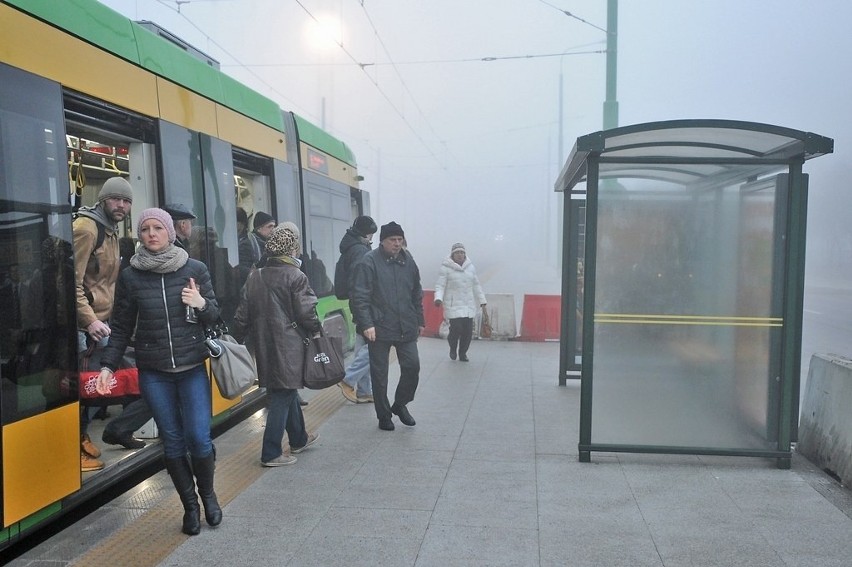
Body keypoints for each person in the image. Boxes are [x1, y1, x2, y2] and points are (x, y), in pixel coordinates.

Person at [95, 208, 222, 536]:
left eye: (157, 228)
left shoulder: (194, 269)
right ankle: (190, 507)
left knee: (199, 438)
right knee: (173, 442)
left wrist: (201, 303)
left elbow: (217, 315)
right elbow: (121, 326)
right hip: (154, 372)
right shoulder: (130, 275)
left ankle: (208, 495)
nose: (151, 234)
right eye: (145, 229)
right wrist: (108, 365)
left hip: (192, 367)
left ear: (169, 232)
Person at [232, 223, 320, 466]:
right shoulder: (296, 276)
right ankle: (270, 452)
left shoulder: (255, 275)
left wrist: (235, 339)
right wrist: (316, 330)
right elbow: (307, 313)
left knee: (285, 389)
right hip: (289, 345)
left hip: (263, 344)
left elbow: (242, 316)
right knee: (282, 394)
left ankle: (299, 439)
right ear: (291, 249)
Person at [73, 176, 133, 471]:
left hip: (104, 322)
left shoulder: (110, 232)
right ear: (103, 200)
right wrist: (89, 319)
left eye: (126, 201)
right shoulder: (87, 229)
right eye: (115, 199)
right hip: (87, 326)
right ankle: (73, 445)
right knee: (86, 386)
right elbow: (69, 282)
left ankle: (81, 435)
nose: (121, 205)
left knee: (98, 386)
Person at [351, 221, 424, 431]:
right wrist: (367, 324)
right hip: (379, 327)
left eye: (400, 240)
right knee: (380, 375)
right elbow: (360, 296)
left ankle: (400, 404)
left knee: (412, 367)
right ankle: (384, 416)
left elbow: (416, 292)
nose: (397, 244)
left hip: (406, 326)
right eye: (393, 240)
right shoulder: (369, 262)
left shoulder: (408, 260)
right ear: (382, 241)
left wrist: (419, 319)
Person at [336, 215, 377, 404]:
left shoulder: (350, 248)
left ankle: (364, 390)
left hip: (357, 303)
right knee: (374, 347)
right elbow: (361, 279)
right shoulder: (361, 251)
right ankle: (348, 379)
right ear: (364, 233)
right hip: (365, 304)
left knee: (362, 344)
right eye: (370, 235)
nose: (371, 238)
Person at [434, 242, 487, 362]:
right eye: (457, 252)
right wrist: (438, 298)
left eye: (462, 252)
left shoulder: (471, 268)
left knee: (467, 332)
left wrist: (482, 300)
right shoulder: (446, 268)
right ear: (452, 255)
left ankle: (463, 353)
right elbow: (440, 285)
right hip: (453, 304)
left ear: (465, 254)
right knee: (456, 329)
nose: (460, 255)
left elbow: (476, 285)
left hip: (468, 304)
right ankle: (453, 348)